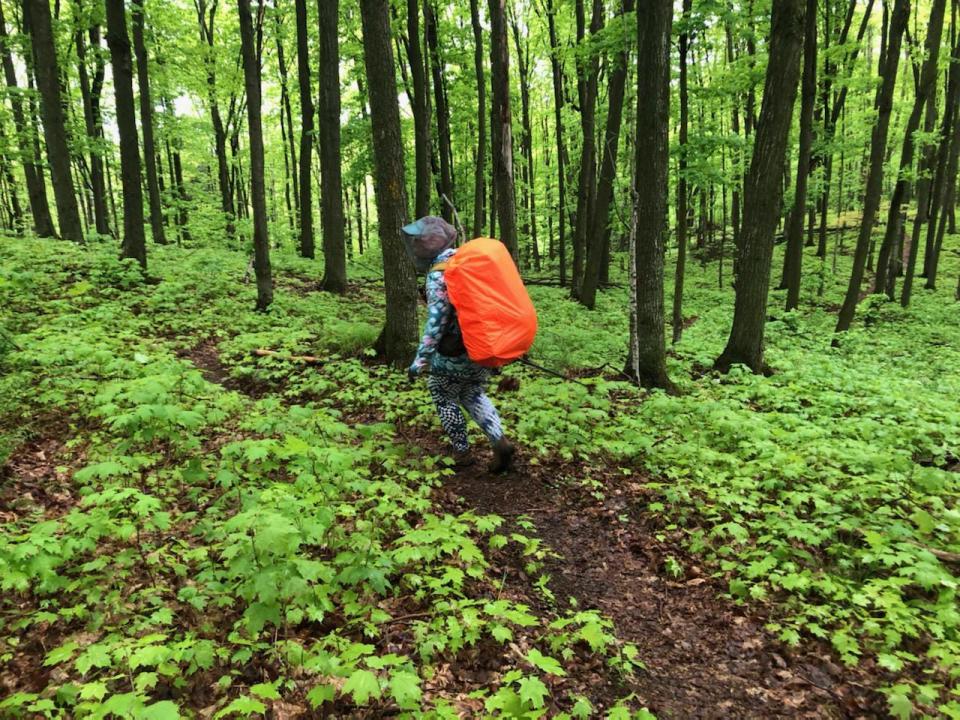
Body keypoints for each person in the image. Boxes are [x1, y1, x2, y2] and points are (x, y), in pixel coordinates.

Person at [403, 216, 515, 473]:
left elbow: (437, 320)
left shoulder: (438, 274)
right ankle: (499, 441)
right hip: (481, 344)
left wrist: (421, 359)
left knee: (442, 394)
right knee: (472, 392)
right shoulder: (466, 261)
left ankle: (461, 452)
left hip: (454, 350)